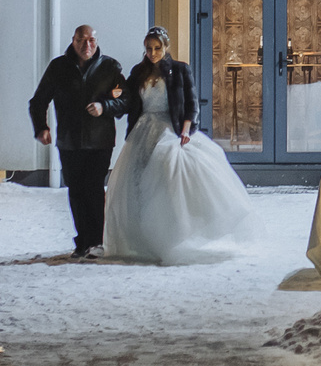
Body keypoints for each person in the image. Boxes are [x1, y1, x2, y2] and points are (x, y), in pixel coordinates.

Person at [105, 26, 252, 264]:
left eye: (157, 48)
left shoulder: (180, 70)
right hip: (143, 129)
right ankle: (142, 238)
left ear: (166, 47)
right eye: (149, 49)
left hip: (170, 127)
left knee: (171, 170)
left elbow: (192, 105)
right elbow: (129, 100)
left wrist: (185, 130)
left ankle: (173, 234)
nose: (152, 53)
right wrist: (114, 97)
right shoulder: (138, 72)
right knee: (136, 180)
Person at [28, 23, 127, 256]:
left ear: (97, 41)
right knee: (76, 190)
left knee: (93, 189)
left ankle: (96, 242)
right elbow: (38, 100)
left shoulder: (110, 68)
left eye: (91, 40)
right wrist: (41, 127)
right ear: (73, 41)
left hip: (100, 141)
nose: (87, 45)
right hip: (69, 141)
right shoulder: (59, 67)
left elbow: (125, 101)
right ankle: (82, 241)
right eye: (82, 40)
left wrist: (105, 106)